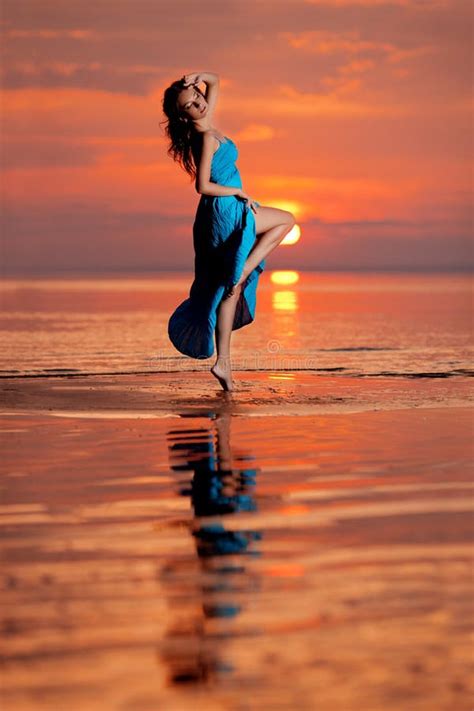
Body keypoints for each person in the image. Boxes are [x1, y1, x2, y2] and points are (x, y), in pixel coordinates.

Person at [161, 71, 296, 391]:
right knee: (286, 219)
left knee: (228, 289)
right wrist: (238, 193)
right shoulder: (204, 138)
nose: (199, 105)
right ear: (183, 115)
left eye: (198, 97)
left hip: (227, 211)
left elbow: (216, 82)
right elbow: (203, 186)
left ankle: (223, 364)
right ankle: (245, 270)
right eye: (191, 105)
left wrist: (198, 77)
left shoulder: (208, 123)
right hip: (223, 212)